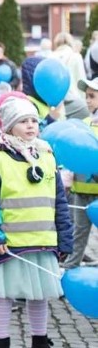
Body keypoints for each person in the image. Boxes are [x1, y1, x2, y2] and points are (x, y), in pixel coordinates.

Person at [0, 96, 73, 348]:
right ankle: (1, 344)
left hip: (43, 240)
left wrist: (64, 236)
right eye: (23, 121)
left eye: (34, 120)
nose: (31, 126)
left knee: (40, 294)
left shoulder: (46, 155)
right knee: (4, 295)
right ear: (8, 127)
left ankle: (40, 343)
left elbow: (59, 200)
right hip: (10, 243)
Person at [61, 78, 98, 269]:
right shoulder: (82, 124)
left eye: (92, 96)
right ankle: (71, 266)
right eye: (86, 96)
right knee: (79, 232)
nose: (88, 100)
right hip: (80, 192)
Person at [52, 32, 88, 102]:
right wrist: (84, 99)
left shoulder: (50, 57)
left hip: (56, 99)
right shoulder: (76, 56)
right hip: (74, 96)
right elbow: (81, 79)